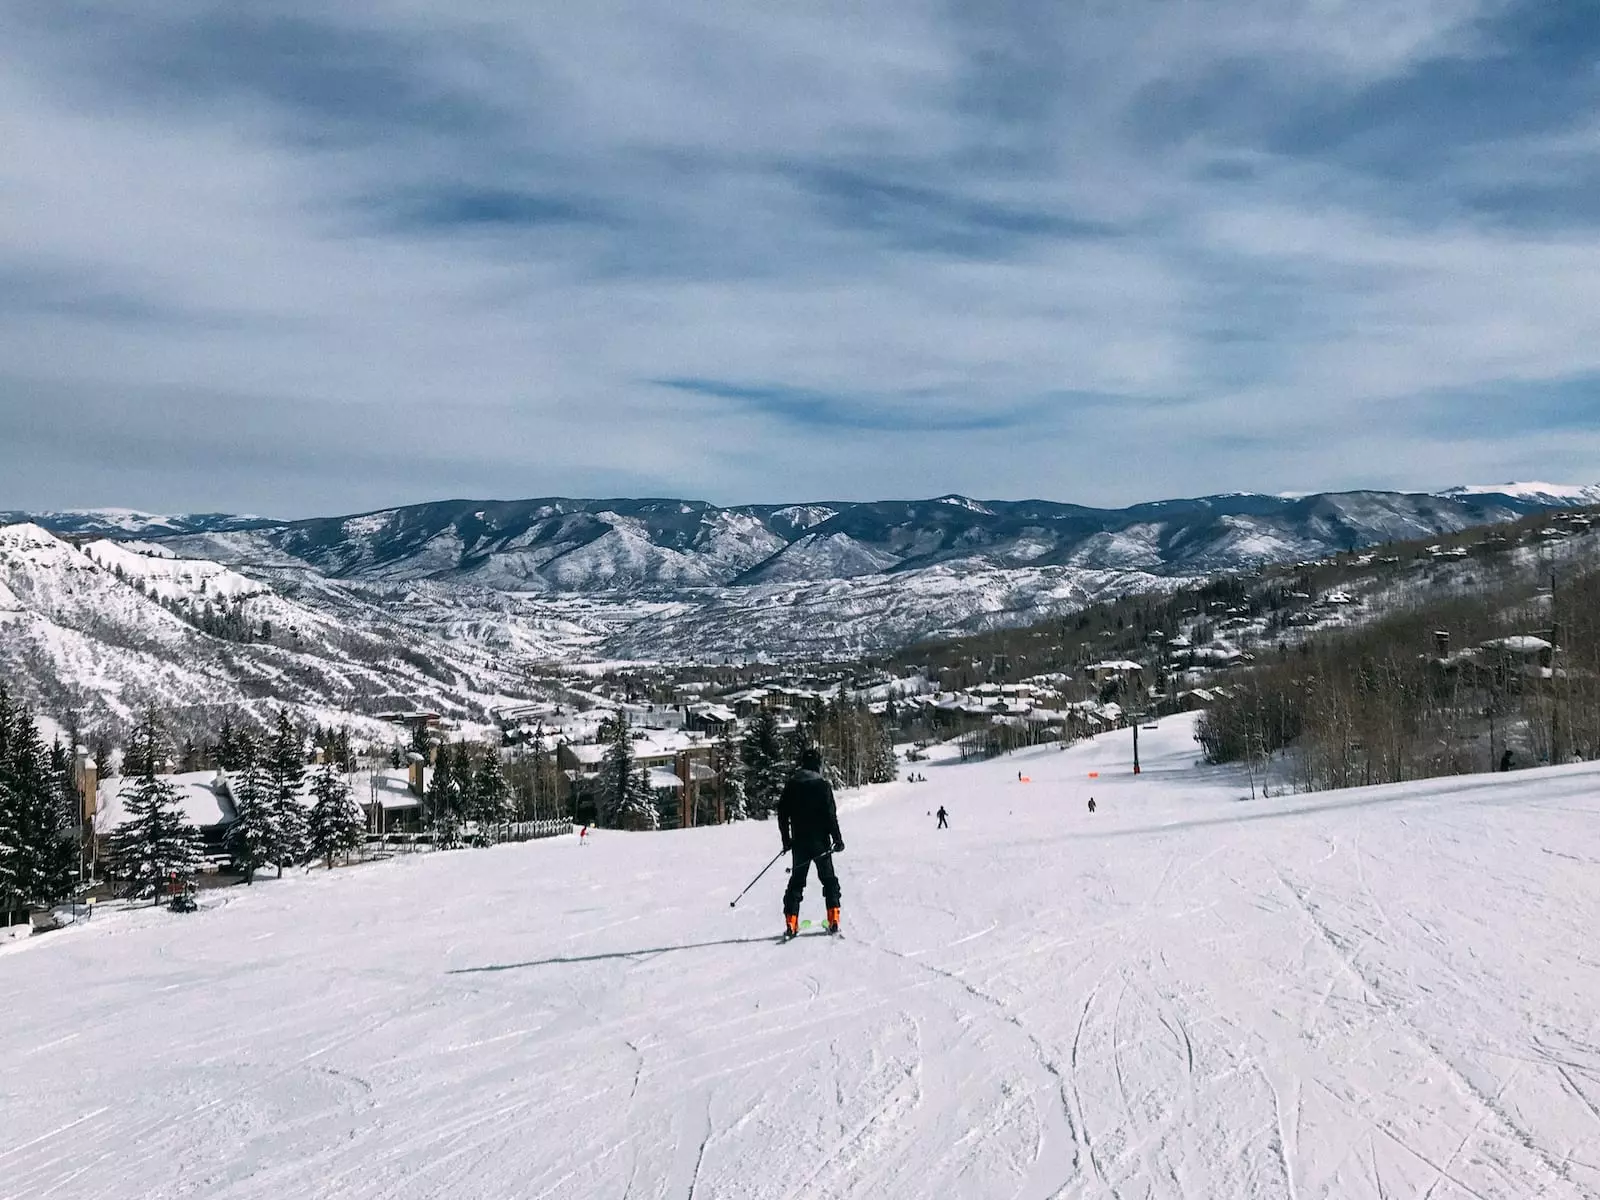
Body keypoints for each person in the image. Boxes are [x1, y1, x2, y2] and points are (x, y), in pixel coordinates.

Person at [777, 747, 844, 937]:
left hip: (799, 843)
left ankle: (791, 922)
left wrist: (786, 840)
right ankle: (834, 919)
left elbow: (782, 814)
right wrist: (837, 839)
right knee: (829, 880)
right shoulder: (823, 786)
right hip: (821, 842)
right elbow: (831, 815)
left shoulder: (792, 785)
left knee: (797, 883)